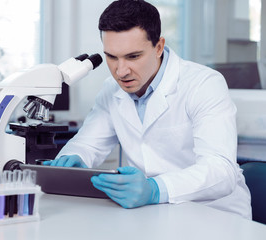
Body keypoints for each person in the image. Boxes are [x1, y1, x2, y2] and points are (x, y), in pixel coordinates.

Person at [44, 0, 251, 219]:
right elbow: (87, 144)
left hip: (215, 215)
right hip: (154, 215)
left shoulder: (203, 84)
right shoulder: (110, 90)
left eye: (133, 57)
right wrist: (74, 158)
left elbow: (221, 170)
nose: (121, 71)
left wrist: (155, 189)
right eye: (112, 57)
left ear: (159, 47)